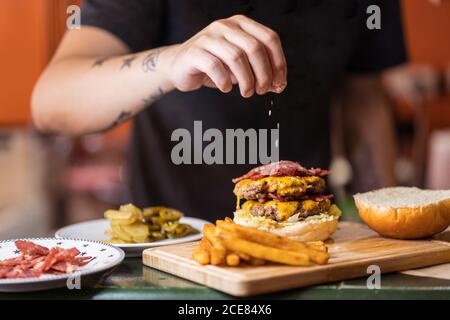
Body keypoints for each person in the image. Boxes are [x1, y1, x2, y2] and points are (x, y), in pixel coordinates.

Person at [32, 0, 407, 221]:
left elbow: (365, 99)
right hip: (172, 251)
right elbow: (51, 102)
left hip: (304, 245)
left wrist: (386, 220)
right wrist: (171, 62)